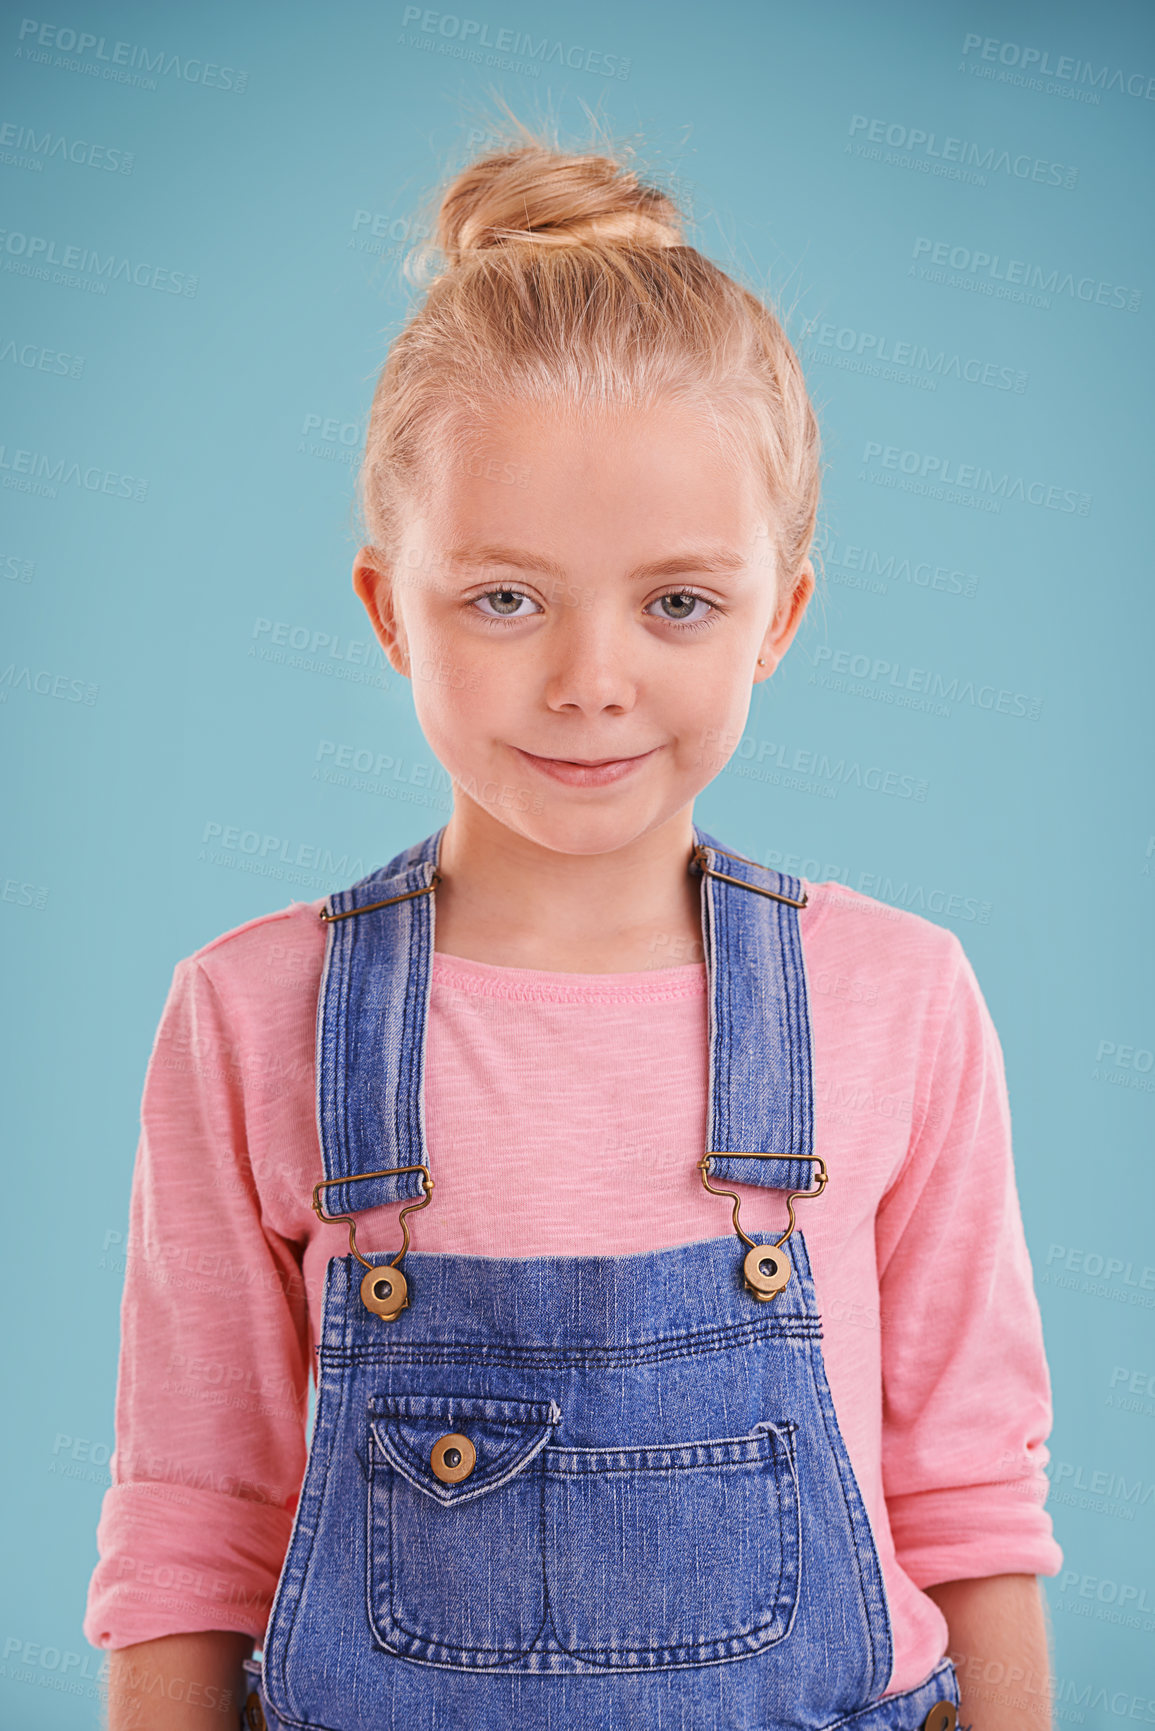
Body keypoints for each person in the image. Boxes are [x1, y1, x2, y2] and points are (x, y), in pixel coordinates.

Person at [86, 117, 1062, 1731]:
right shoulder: (252, 1015)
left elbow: (970, 1494)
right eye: (505, 596)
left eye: (678, 600)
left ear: (781, 619)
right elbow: (192, 1522)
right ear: (390, 607)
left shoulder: (896, 997)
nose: (591, 678)